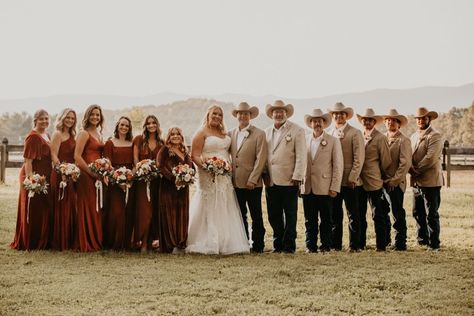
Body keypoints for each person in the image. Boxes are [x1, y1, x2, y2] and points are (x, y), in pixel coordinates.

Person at [186, 105, 250, 254]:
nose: (217, 116)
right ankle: (208, 240)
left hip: (224, 176)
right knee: (209, 203)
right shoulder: (201, 133)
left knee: (224, 203)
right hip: (207, 175)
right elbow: (194, 155)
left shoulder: (223, 133)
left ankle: (226, 240)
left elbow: (228, 153)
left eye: (220, 115)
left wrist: (225, 167)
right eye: (214, 114)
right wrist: (207, 168)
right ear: (208, 115)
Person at [263, 100, 307, 253]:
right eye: (276, 111)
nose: (279, 114)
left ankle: (289, 246)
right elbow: (264, 156)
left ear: (286, 113)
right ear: (272, 114)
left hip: (290, 180)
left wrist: (298, 176)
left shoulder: (297, 130)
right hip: (271, 181)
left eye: (282, 111)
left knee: (290, 215)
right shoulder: (267, 132)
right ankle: (277, 244)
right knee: (273, 215)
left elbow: (301, 156)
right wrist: (264, 174)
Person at [301, 109, 343, 253]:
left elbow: (338, 165)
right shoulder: (304, 140)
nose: (317, 123)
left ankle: (325, 245)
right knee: (309, 220)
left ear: (324, 123)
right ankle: (310, 245)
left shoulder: (333, 141)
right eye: (314, 121)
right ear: (310, 123)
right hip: (308, 186)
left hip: (325, 186)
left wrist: (335, 186)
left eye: (320, 121)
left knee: (326, 219)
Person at [228, 102, 268, 253]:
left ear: (250, 116)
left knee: (256, 215)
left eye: (246, 113)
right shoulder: (230, 133)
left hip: (252, 183)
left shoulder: (259, 133)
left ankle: (258, 245)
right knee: (240, 215)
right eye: (240, 113)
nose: (243, 116)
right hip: (235, 182)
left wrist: (253, 178)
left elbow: (261, 158)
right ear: (237, 115)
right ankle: (243, 243)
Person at [11, 109, 52, 250]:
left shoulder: (46, 134)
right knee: (33, 207)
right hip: (33, 175)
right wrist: (31, 181)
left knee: (43, 208)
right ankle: (32, 241)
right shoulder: (33, 136)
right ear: (35, 120)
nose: (44, 121)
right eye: (41, 119)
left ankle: (43, 240)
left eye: (46, 118)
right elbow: (28, 161)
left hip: (44, 175)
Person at [328, 102, 365, 251]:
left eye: (341, 113)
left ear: (346, 115)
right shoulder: (329, 133)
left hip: (350, 182)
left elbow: (359, 157)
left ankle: (354, 245)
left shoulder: (355, 133)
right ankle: (336, 244)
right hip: (334, 181)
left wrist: (353, 177)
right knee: (335, 214)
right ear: (332, 116)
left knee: (353, 214)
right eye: (335, 114)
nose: (338, 116)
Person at [409, 107, 444, 251]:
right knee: (417, 211)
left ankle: (434, 243)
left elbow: (430, 157)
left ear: (429, 119)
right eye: (418, 118)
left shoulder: (435, 136)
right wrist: (410, 167)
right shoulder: (413, 136)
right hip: (416, 181)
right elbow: (409, 154)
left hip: (430, 180)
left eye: (423, 118)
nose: (421, 121)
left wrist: (416, 170)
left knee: (431, 213)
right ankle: (422, 240)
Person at [357, 108, 391, 251]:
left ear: (374, 122)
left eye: (370, 120)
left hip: (374, 181)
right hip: (359, 181)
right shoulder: (359, 135)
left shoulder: (381, 138)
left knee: (378, 214)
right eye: (365, 119)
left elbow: (386, 161)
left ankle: (381, 245)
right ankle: (360, 243)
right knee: (359, 214)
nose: (367, 122)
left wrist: (380, 176)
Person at [73, 104, 105, 252]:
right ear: (87, 116)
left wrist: (103, 169)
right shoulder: (84, 133)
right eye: (92, 114)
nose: (95, 117)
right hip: (86, 176)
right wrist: (91, 173)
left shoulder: (99, 134)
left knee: (96, 207)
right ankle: (86, 241)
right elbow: (77, 157)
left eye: (97, 115)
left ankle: (96, 239)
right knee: (88, 206)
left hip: (98, 175)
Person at [156, 127, 193, 254]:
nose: (175, 136)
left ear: (181, 136)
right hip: (168, 188)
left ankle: (181, 243)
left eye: (178, 134)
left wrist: (187, 178)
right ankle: (170, 244)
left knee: (182, 214)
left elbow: (191, 167)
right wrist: (173, 179)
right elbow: (160, 166)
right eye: (172, 134)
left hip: (183, 189)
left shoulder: (185, 150)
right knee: (169, 214)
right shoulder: (165, 150)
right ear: (169, 136)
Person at [133, 115, 164, 252]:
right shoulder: (139, 140)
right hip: (142, 182)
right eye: (148, 123)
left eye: (153, 123)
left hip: (156, 182)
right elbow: (135, 159)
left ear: (157, 125)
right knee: (144, 212)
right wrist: (142, 170)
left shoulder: (161, 142)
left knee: (154, 212)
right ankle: (142, 243)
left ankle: (152, 241)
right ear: (145, 126)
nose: (151, 125)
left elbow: (162, 161)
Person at [382, 109, 412, 251]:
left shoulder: (403, 140)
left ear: (399, 124)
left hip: (395, 183)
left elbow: (405, 163)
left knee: (397, 213)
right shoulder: (382, 138)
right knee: (382, 213)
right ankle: (385, 240)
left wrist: (394, 181)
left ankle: (400, 243)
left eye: (393, 120)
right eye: (388, 120)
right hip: (381, 182)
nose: (390, 122)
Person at [103, 116, 134, 250]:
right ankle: (113, 243)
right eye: (122, 125)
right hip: (114, 183)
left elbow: (134, 162)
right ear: (117, 126)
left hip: (129, 181)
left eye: (127, 126)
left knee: (128, 211)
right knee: (116, 212)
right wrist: (118, 179)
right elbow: (108, 164)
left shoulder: (132, 143)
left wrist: (129, 177)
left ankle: (126, 243)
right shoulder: (110, 143)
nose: (124, 128)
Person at [50, 108, 77, 251]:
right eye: (68, 117)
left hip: (71, 174)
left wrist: (72, 172)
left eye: (72, 118)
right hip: (60, 174)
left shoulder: (73, 134)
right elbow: (53, 155)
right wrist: (62, 171)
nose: (70, 120)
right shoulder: (57, 134)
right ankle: (59, 241)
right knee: (61, 205)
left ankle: (69, 239)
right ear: (62, 118)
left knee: (70, 205)